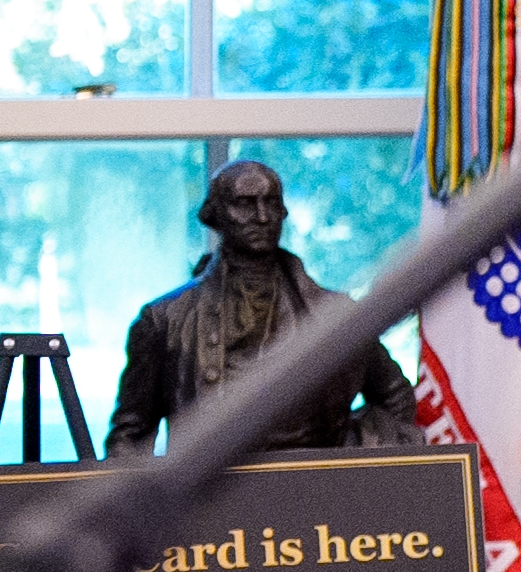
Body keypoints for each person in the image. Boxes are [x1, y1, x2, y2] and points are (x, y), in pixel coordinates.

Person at [107, 158, 412, 454]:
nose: (262, 217)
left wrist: (355, 458)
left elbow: (395, 396)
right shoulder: (164, 320)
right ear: (215, 214)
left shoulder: (335, 315)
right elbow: (130, 437)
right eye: (244, 203)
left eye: (271, 203)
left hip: (313, 492)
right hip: (210, 497)